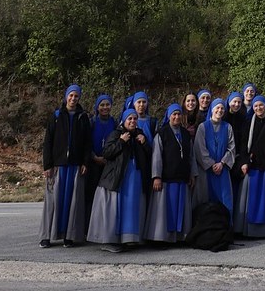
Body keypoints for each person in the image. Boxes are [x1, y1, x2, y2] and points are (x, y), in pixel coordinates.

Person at [87, 108, 151, 252]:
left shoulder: (140, 134)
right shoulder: (116, 134)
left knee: (130, 209)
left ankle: (128, 238)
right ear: (124, 120)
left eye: (135, 119)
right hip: (118, 177)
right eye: (130, 119)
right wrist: (121, 142)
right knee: (115, 209)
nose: (133, 121)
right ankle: (109, 240)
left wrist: (145, 143)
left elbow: (149, 154)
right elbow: (107, 153)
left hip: (135, 178)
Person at [39, 83, 91, 248]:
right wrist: (48, 165)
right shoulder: (56, 115)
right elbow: (48, 142)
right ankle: (46, 236)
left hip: (75, 166)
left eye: (76, 96)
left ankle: (69, 236)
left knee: (72, 202)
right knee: (52, 202)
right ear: (66, 96)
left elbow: (86, 144)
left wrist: (85, 162)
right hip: (57, 166)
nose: (73, 99)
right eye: (71, 95)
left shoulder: (83, 118)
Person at [145, 103, 194, 243]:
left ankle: (180, 237)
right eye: (174, 114)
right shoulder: (162, 133)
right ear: (169, 116)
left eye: (179, 114)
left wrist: (192, 174)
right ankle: (163, 238)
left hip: (182, 178)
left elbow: (191, 156)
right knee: (165, 212)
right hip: (166, 179)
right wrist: (156, 177)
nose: (177, 117)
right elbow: (157, 157)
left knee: (180, 210)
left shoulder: (185, 134)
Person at [235, 95, 265, 238]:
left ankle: (264, 231)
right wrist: (244, 161)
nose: (258, 108)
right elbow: (243, 145)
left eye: (261, 105)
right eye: (256, 106)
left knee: (264, 201)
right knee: (249, 201)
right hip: (251, 168)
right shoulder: (247, 123)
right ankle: (247, 230)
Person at [194, 98, 236, 221]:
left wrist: (222, 163)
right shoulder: (203, 127)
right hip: (206, 171)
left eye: (222, 108)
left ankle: (225, 230)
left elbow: (231, 147)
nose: (220, 110)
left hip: (223, 170)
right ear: (212, 110)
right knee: (206, 201)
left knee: (225, 201)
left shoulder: (228, 127)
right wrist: (211, 164)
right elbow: (199, 148)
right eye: (217, 108)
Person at [85, 94, 117, 222]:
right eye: (102, 105)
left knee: (106, 196)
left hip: (108, 164)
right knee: (90, 196)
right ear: (97, 107)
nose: (105, 107)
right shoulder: (91, 122)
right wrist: (94, 157)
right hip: (93, 163)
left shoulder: (114, 123)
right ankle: (88, 226)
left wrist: (108, 159)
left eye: (107, 105)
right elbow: (86, 142)